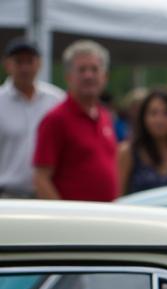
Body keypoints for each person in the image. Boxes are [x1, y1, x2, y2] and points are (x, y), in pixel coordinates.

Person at [33, 39, 118, 200]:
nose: (88, 75)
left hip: (104, 218)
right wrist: (62, 217)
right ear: (69, 77)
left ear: (105, 77)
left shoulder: (105, 115)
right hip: (75, 220)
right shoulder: (56, 119)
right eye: (82, 70)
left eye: (94, 69)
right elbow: (41, 178)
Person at [0, 37, 63, 197]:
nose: (25, 67)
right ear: (7, 64)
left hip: (48, 195)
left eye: (30, 61)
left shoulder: (56, 99)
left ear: (39, 63)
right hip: (8, 195)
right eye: (19, 62)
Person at [117, 88, 167, 194]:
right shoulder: (128, 152)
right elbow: (118, 196)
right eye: (153, 113)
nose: (160, 120)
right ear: (143, 117)